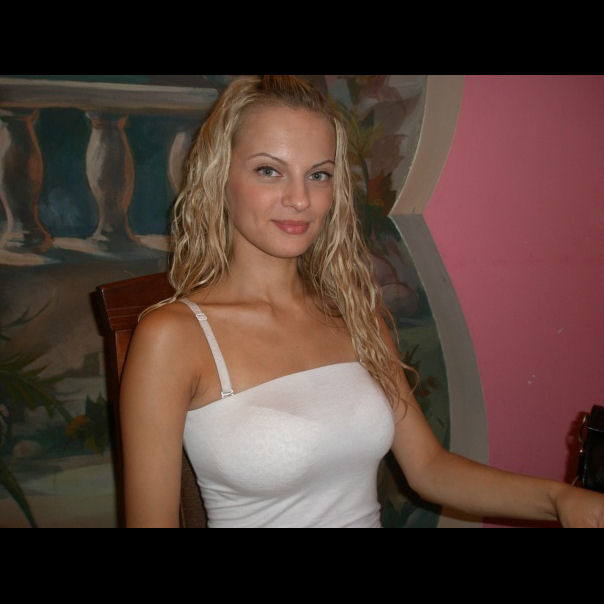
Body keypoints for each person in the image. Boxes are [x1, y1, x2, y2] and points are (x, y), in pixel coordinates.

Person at [119, 75, 604, 528]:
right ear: (220, 179)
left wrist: (560, 499)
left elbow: (429, 468)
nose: (300, 199)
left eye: (318, 175)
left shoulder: (353, 313)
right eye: (269, 171)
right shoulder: (173, 337)